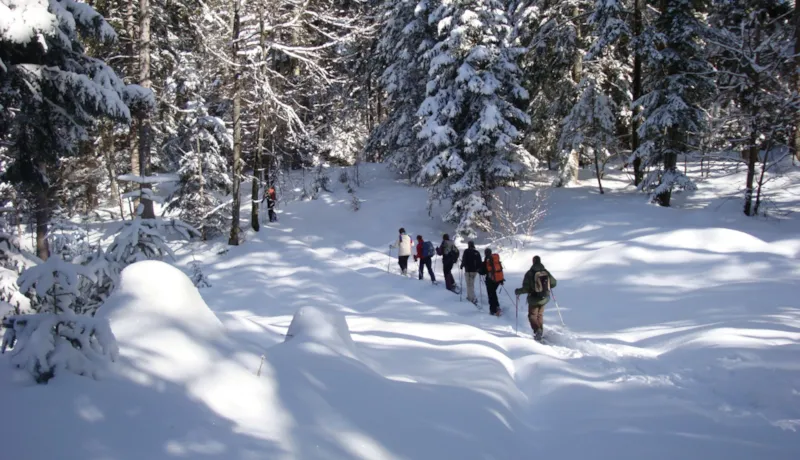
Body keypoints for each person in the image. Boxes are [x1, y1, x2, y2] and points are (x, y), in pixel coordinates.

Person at [515, 255, 557, 341]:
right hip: (544, 298)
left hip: (534, 299)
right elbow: (554, 283)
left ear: (533, 261)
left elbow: (526, 288)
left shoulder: (529, 273)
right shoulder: (545, 271)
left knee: (532, 316)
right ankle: (540, 331)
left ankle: (537, 331)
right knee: (540, 315)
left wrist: (518, 291)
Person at [479, 248, 504, 316]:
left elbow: (483, 271)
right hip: (497, 280)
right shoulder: (495, 259)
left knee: (491, 295)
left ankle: (493, 310)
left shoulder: (487, 260)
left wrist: (479, 270)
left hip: (490, 280)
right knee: (493, 293)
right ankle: (497, 306)